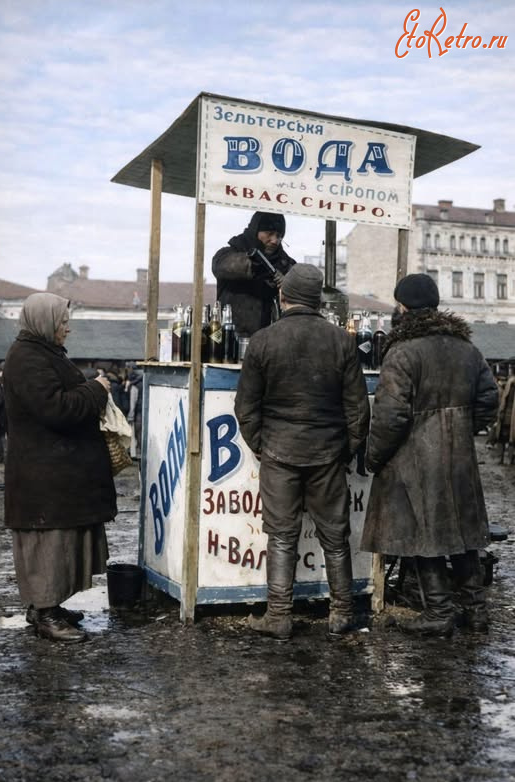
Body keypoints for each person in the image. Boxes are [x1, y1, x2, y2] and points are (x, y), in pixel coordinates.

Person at [234, 263, 370, 640]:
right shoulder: (342, 341)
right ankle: (342, 613)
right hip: (327, 453)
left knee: (281, 536)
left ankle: (278, 616)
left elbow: (246, 407)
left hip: (279, 452)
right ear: (317, 301)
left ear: (283, 296)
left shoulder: (263, 341)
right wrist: (346, 450)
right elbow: (359, 410)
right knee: (335, 536)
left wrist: (261, 446)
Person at [360, 273, 499, 636]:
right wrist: (463, 430)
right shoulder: (466, 348)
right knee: (463, 534)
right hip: (459, 460)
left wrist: (373, 456)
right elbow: (489, 399)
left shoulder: (401, 352)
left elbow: (391, 416)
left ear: (403, 307)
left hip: (414, 459)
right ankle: (475, 610)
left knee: (422, 534)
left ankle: (438, 612)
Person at [3, 293, 117, 644]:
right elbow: (56, 409)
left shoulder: (42, 353)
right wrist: (96, 390)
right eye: (62, 322)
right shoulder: (27, 359)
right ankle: (46, 613)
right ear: (44, 322)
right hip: (43, 477)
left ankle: (46, 607)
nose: (67, 328)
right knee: (48, 544)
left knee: (61, 541)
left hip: (55, 473)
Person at [212, 211, 297, 337]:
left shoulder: (287, 265)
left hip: (274, 339)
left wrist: (289, 284)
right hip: (230, 337)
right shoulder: (228, 253)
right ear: (255, 231)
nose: (275, 240)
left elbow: (304, 291)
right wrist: (256, 265)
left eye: (279, 236)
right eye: (269, 233)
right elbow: (222, 266)